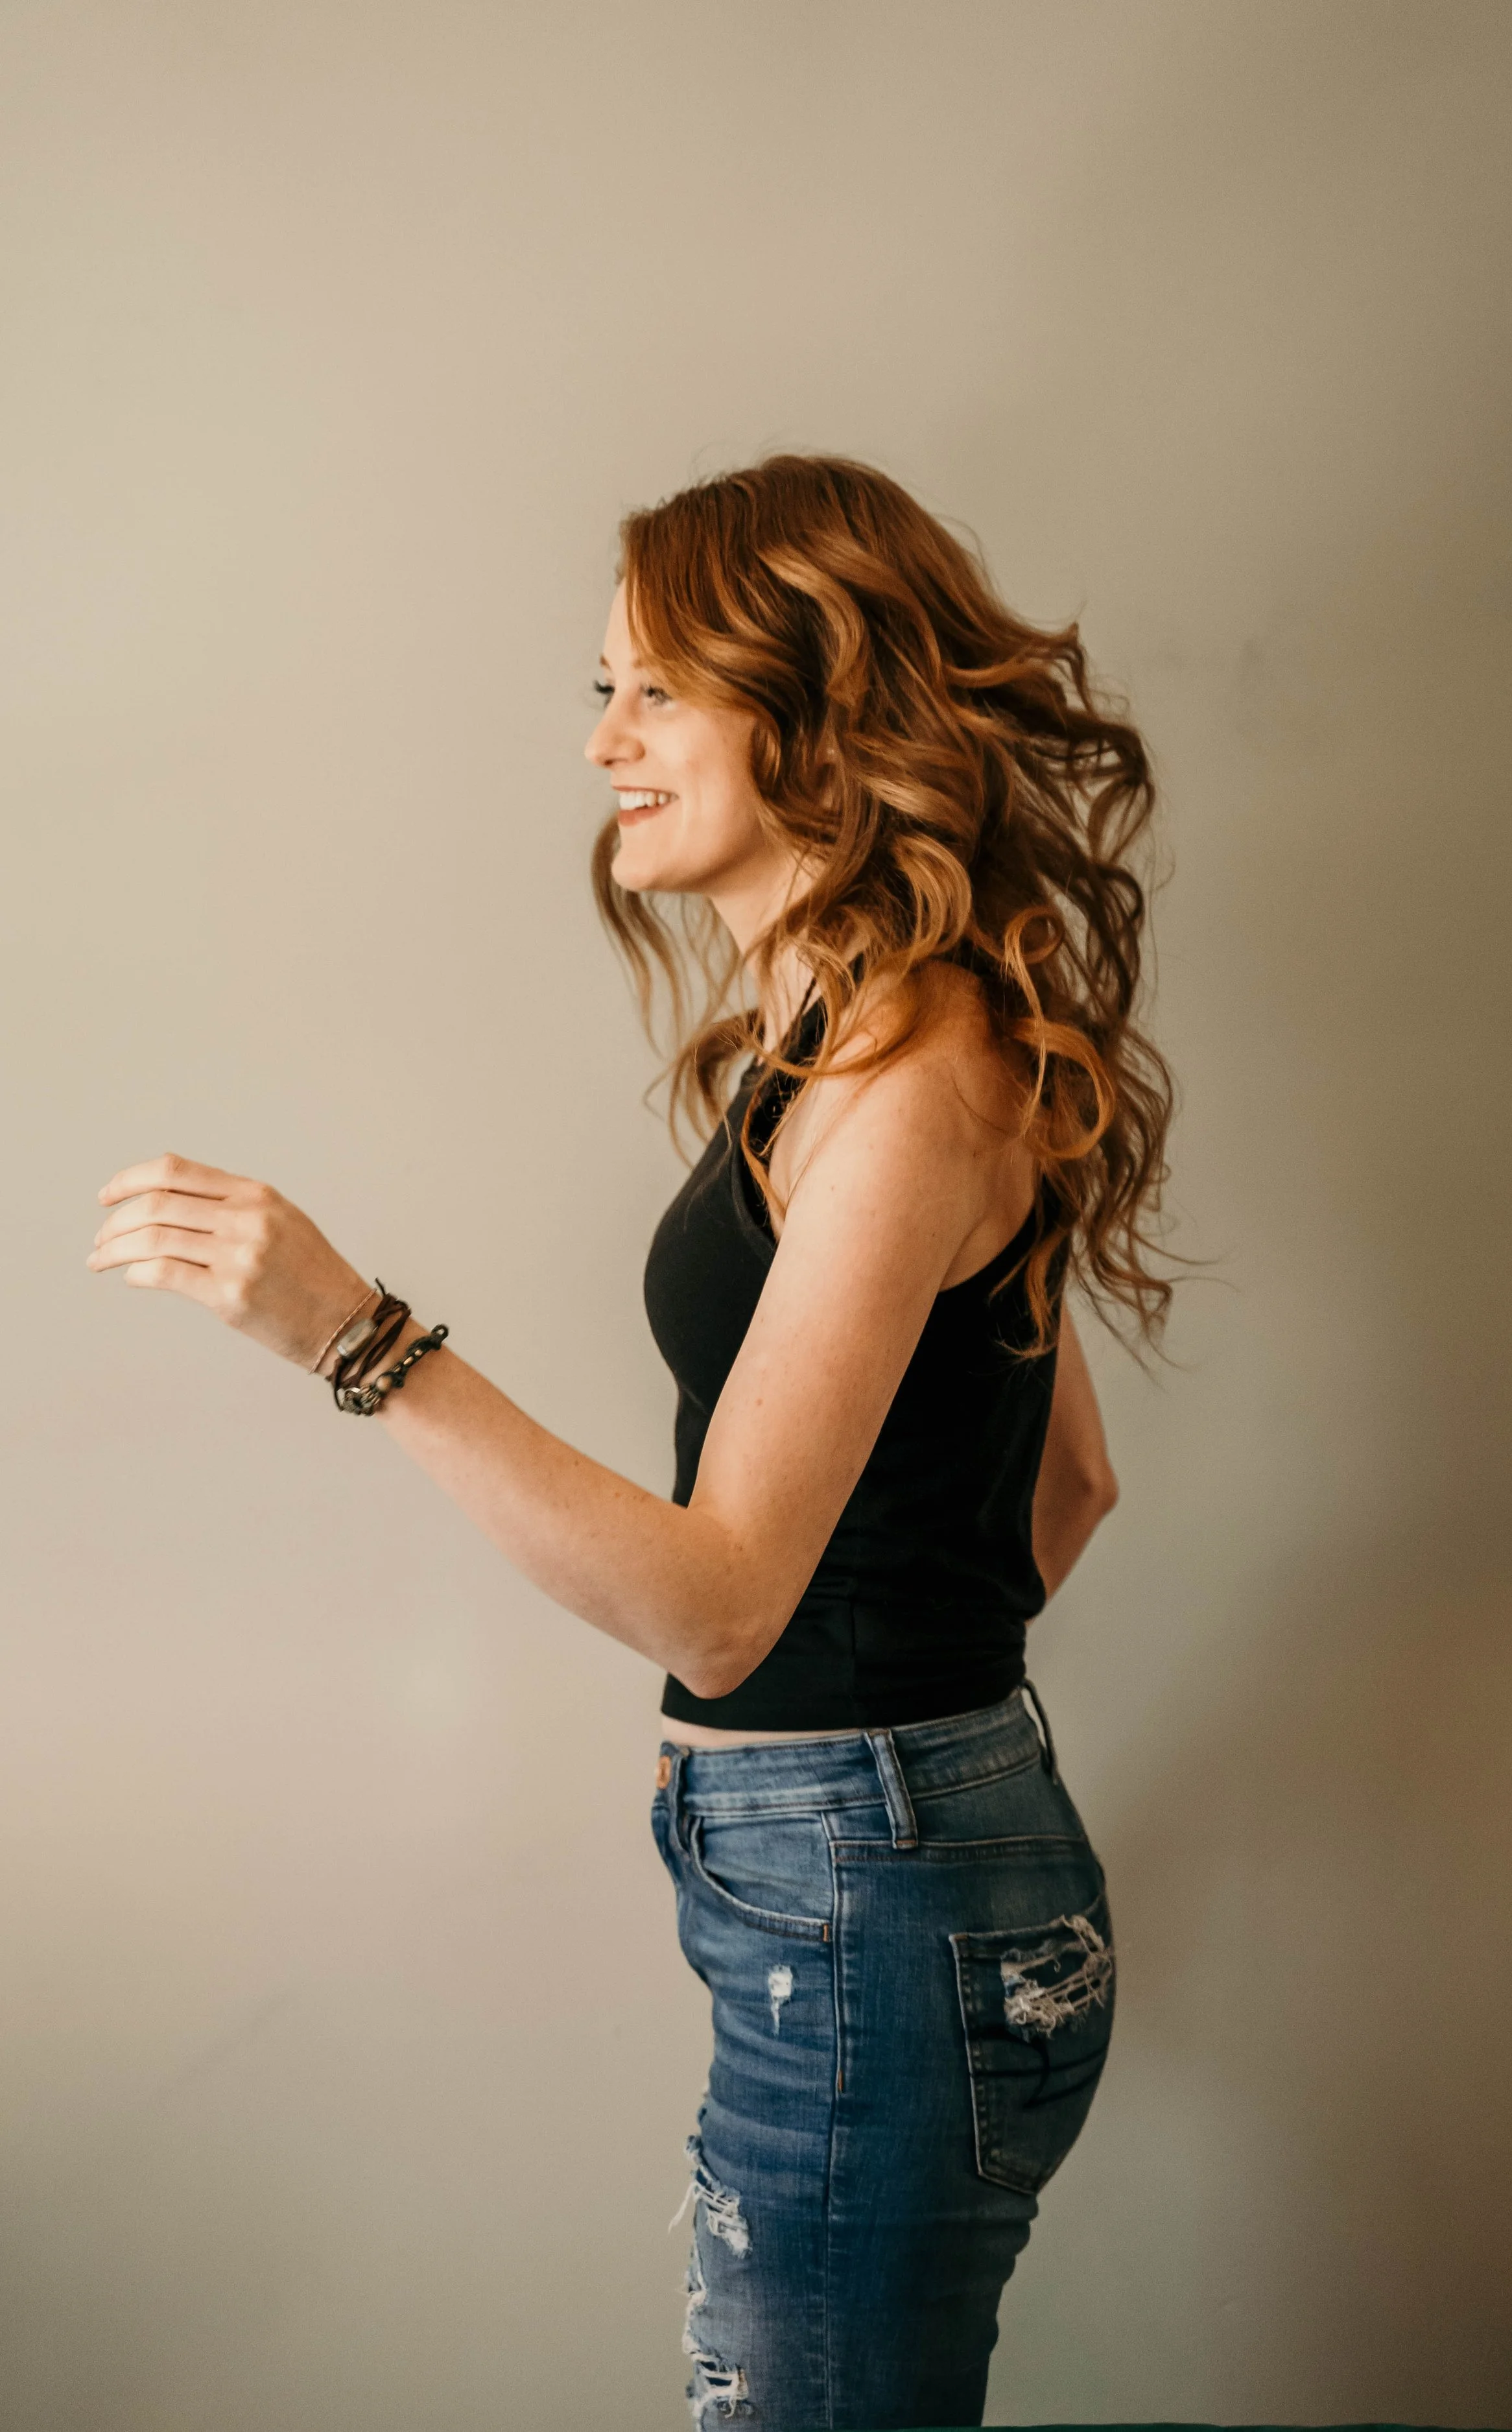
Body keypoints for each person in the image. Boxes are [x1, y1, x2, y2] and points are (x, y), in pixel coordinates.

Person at [87, 454, 1173, 2431]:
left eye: (653, 691)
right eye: (602, 690)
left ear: (814, 700)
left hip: (863, 1892)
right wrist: (902, 1742)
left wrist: (350, 1328)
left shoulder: (910, 1073)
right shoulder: (852, 1038)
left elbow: (727, 1611)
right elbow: (1061, 1481)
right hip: (859, 1872)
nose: (604, 744)